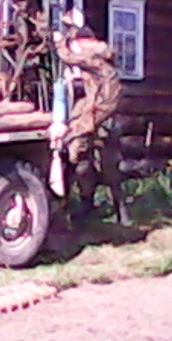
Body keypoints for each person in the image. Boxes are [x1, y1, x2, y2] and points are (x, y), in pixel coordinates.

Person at [52, 11, 127, 223]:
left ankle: (119, 211)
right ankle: (91, 206)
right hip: (98, 119)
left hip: (101, 121)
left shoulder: (97, 63)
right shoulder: (101, 63)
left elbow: (68, 56)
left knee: (105, 167)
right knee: (85, 164)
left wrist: (60, 41)